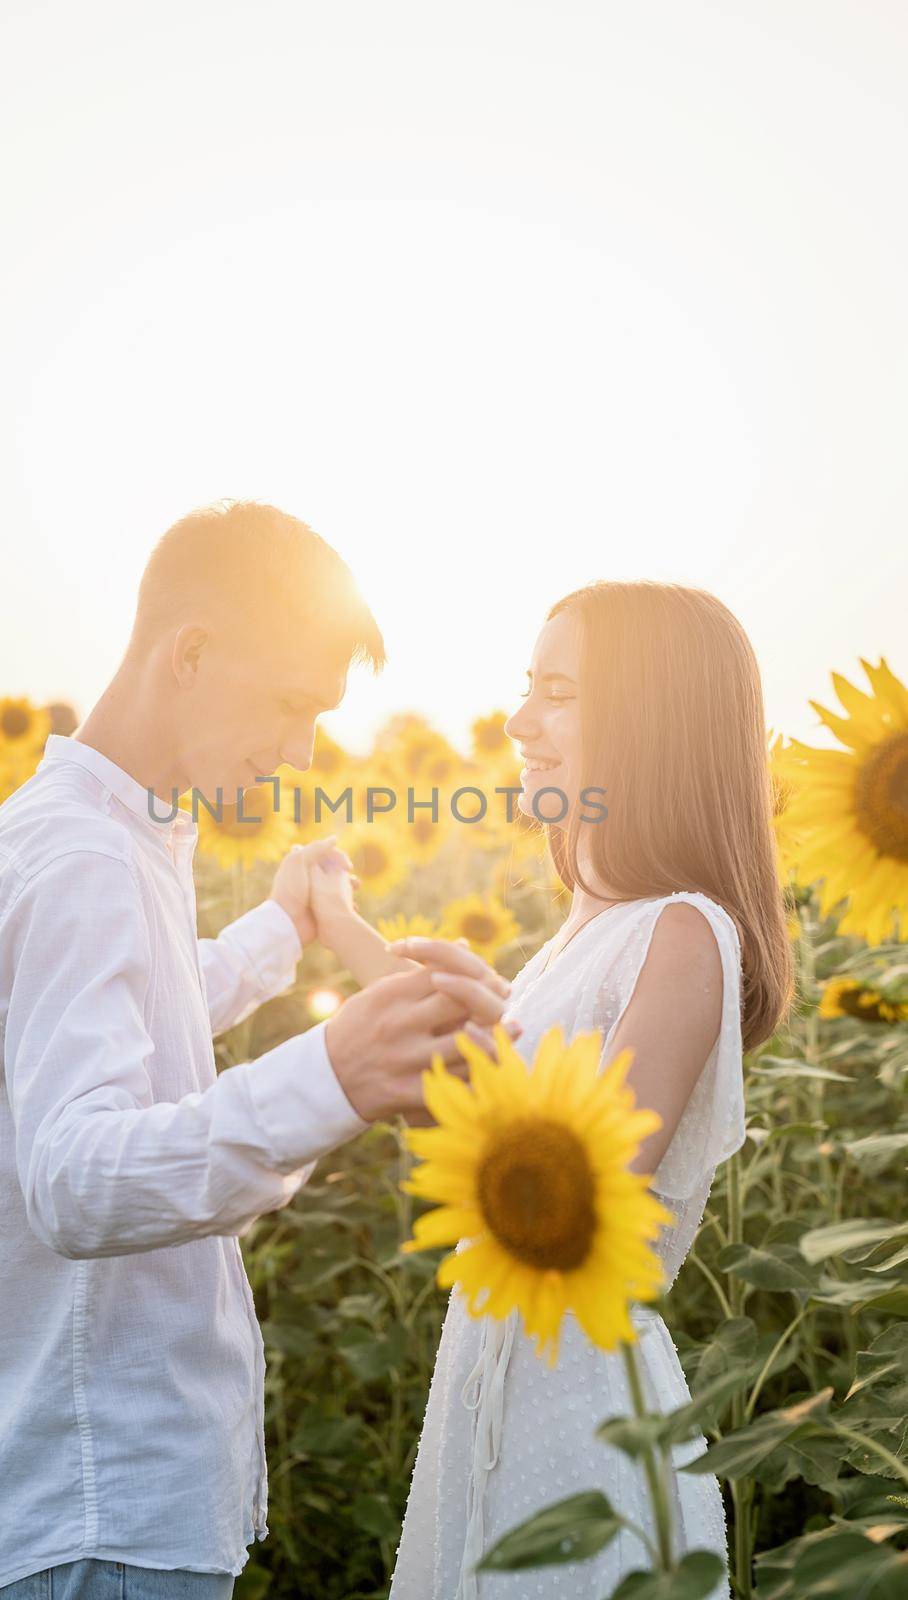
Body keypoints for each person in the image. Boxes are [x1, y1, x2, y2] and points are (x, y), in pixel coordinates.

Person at [0, 501, 515, 1600]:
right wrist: (326, 1078)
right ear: (190, 652)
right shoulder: (83, 862)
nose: (300, 753)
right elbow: (75, 1178)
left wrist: (278, 935)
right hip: (95, 1520)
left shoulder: (100, 834)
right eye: (293, 705)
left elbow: (122, 1020)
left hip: (86, 1508)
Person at [309, 580, 794, 1600]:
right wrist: (350, 935)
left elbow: (588, 1180)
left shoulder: (681, 931)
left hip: (586, 1425)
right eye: (527, 687)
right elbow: (491, 1109)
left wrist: (483, 1022)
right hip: (492, 1389)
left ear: (651, 720)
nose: (519, 721)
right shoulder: (580, 933)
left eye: (558, 693)